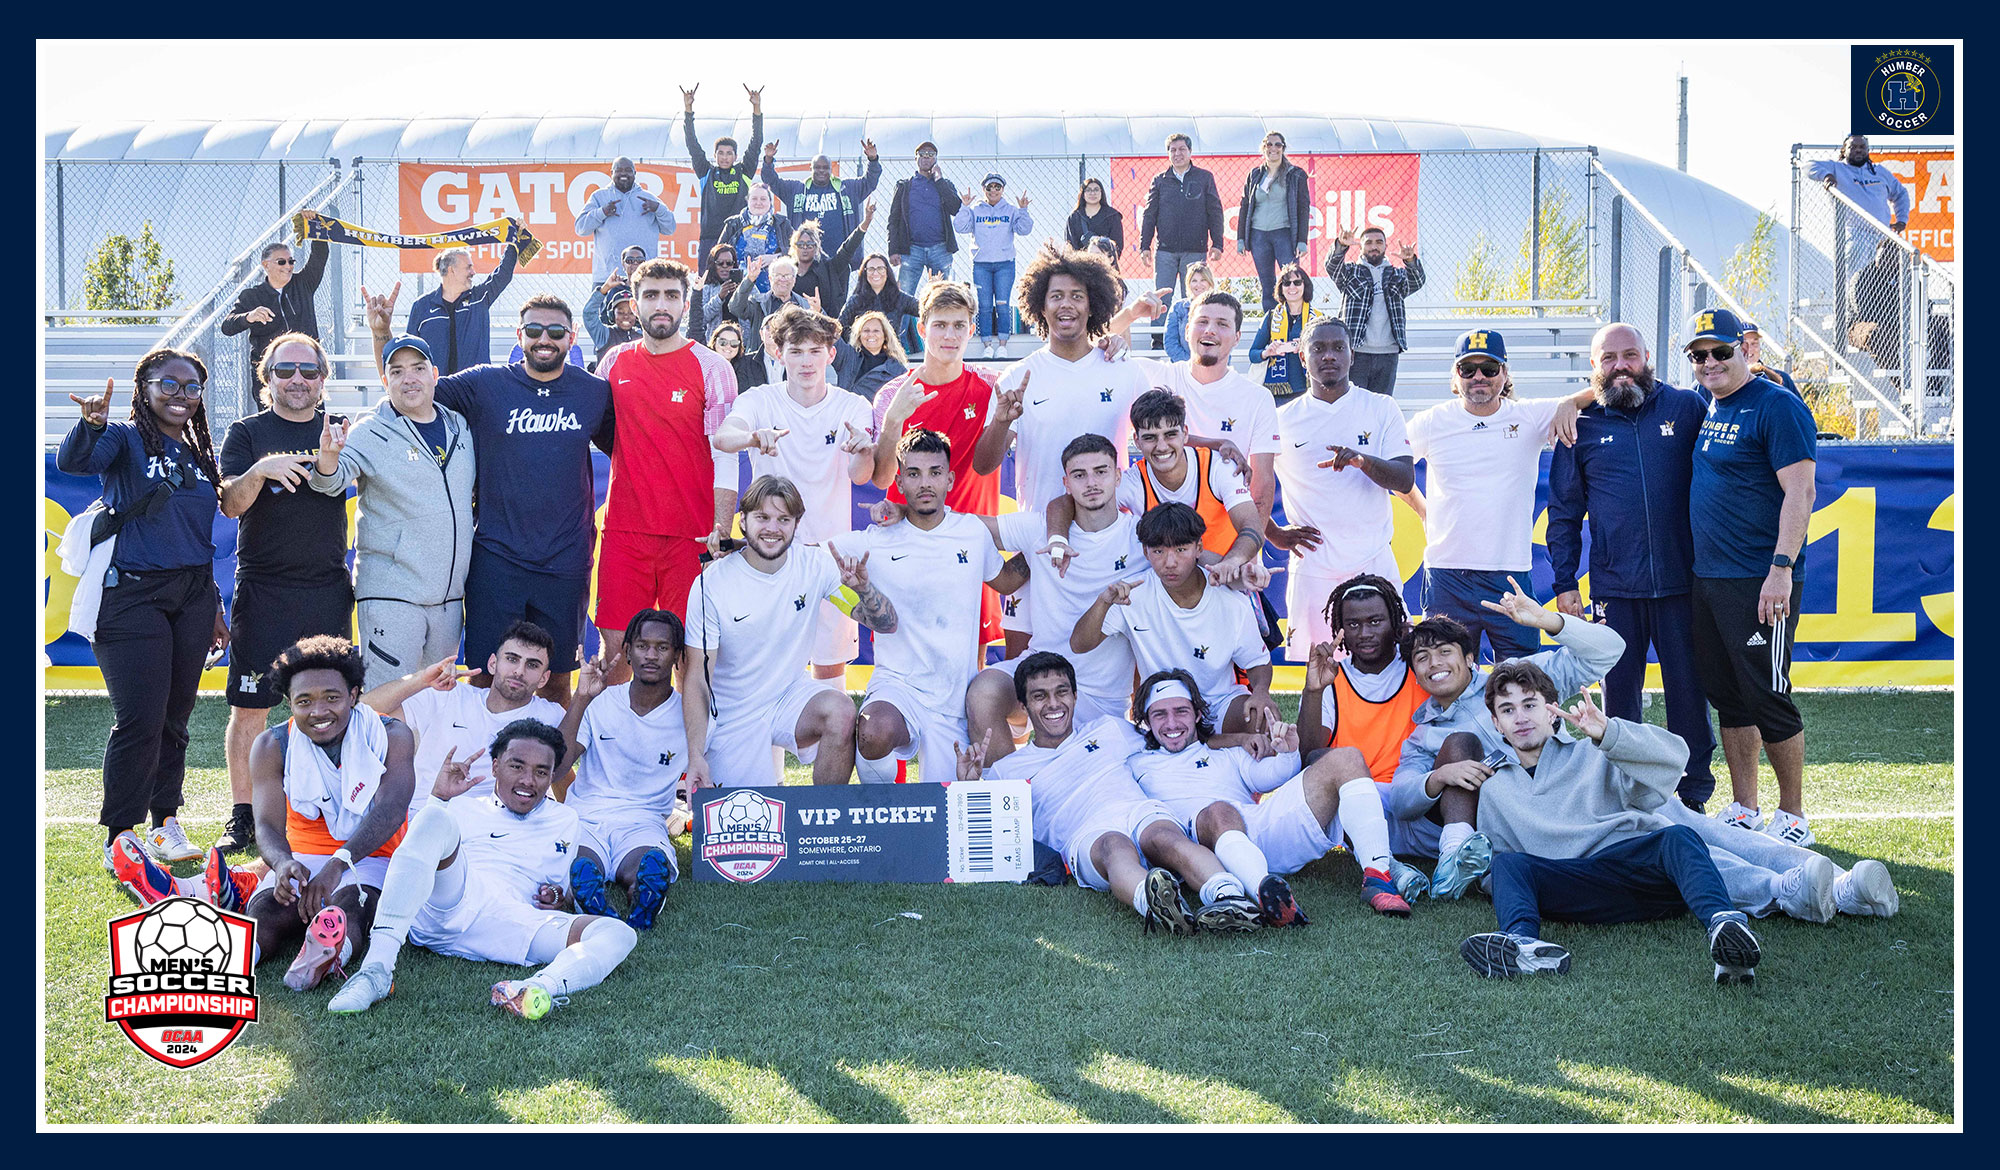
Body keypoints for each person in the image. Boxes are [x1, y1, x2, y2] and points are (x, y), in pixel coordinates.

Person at [367, 288, 612, 705]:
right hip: (497, 560)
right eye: (534, 329)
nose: (544, 339)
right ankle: (480, 767)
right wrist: (381, 334)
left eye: (555, 331)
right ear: (519, 335)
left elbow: (629, 450)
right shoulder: (486, 383)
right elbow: (410, 389)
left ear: (572, 336)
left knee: (555, 681)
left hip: (566, 563)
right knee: (484, 675)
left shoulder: (594, 392)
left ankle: (545, 770)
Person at [1456, 667, 1764, 985]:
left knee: (1678, 837)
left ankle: (1724, 927)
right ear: (1496, 723)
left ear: (1551, 711)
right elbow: (1498, 867)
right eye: (1508, 710)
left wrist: (1608, 734)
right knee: (1507, 864)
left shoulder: (1595, 750)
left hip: (1640, 877)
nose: (1520, 717)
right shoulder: (1495, 787)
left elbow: (1673, 759)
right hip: (1572, 887)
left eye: (1530, 705)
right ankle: (1523, 946)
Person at [327, 719, 639, 1020]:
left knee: (618, 933)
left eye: (541, 772)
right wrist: (438, 800)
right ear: (494, 767)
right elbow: (413, 861)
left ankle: (536, 988)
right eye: (517, 766)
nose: (528, 781)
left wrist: (559, 896)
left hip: (514, 920)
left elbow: (560, 889)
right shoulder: (461, 807)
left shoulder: (566, 819)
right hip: (452, 906)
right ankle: (375, 971)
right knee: (434, 820)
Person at [61, 350, 229, 873]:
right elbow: (75, 462)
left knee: (176, 718)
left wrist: (215, 605)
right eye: (169, 384)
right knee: (140, 719)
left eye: (192, 387)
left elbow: (196, 535)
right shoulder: (125, 438)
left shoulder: (202, 453)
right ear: (145, 387)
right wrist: (90, 424)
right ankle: (121, 835)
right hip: (131, 596)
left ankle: (165, 823)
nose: (181, 395)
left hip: (194, 595)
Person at [1547, 323, 1718, 811]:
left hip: (1683, 584)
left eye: (1630, 356)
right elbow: (1563, 515)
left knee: (1689, 694)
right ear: (1593, 366)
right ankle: (1625, 792)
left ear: (1649, 356)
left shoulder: (1686, 407)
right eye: (1608, 358)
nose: (1620, 366)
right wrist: (1564, 583)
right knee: (1620, 697)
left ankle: (1694, 794)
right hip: (1614, 589)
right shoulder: (1578, 425)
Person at [979, 652, 1264, 934]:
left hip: (1137, 809)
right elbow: (986, 827)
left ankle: (1229, 898)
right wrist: (968, 782)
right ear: (1023, 704)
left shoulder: (1109, 729)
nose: (1053, 704)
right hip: (1087, 834)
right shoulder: (1008, 769)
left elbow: (1176, 738)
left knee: (1165, 837)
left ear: (1075, 696)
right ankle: (1158, 904)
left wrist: (1241, 739)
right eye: (1039, 696)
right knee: (1114, 846)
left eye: (1061, 692)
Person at [1386, 579, 1627, 899]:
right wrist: (1440, 776)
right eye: (1423, 658)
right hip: (1501, 822)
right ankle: (1454, 861)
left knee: (1655, 823)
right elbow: (1400, 800)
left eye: (1445, 652)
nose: (1436, 664)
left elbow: (1609, 651)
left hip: (1565, 794)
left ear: (1470, 658)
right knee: (1459, 744)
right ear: (1415, 673)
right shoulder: (1423, 734)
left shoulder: (1515, 677)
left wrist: (1546, 621)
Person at [1684, 308, 1819, 845]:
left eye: (1720, 351)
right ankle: (1745, 805)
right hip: (1709, 576)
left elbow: (1801, 492)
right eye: (1700, 355)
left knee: (1768, 693)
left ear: (1746, 349)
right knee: (1728, 695)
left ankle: (1794, 814)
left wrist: (1781, 569)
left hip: (1760, 578)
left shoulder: (1777, 406)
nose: (1711, 362)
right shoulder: (1711, 403)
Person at [217, 334, 355, 860]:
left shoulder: (340, 429)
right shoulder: (246, 432)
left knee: (330, 704)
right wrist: (260, 470)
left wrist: (326, 460)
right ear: (266, 376)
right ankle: (244, 817)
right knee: (250, 707)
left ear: (323, 377)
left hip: (325, 588)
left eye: (309, 369)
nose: (298, 378)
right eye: (285, 369)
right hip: (263, 588)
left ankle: (328, 807)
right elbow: (230, 504)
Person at [1127, 669, 1410, 921]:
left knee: (1347, 758)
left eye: (1181, 711)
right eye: (1159, 714)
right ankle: (1264, 889)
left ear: (1198, 714)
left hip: (1261, 830)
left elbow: (1270, 777)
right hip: (1200, 848)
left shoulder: (1226, 751)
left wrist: (1286, 751)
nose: (1172, 722)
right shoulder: (1134, 762)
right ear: (1146, 721)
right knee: (1219, 810)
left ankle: (1378, 875)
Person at [833, 430, 1026, 782]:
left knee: (950, 807)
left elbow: (1008, 581)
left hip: (951, 702)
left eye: (935, 473)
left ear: (950, 479)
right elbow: (804, 557)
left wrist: (1055, 539)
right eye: (914, 473)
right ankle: (883, 826)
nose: (925, 483)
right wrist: (739, 544)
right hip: (898, 687)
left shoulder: (970, 531)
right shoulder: (874, 539)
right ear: (899, 480)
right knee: (872, 732)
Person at [682, 476, 892, 788]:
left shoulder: (815, 565)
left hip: (788, 697)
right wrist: (695, 754)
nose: (772, 528)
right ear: (743, 520)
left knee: (841, 710)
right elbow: (698, 678)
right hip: (733, 715)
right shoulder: (711, 585)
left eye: (783, 519)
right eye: (762, 518)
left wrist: (865, 590)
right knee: (746, 826)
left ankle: (823, 823)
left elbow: (886, 624)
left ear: (796, 523)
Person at [714, 307, 878, 680]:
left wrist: (863, 449)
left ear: (831, 354)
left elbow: (860, 474)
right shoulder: (759, 399)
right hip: (771, 557)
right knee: (767, 676)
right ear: (778, 353)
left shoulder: (852, 406)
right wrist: (754, 438)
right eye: (796, 351)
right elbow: (723, 438)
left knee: (829, 677)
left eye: (815, 351)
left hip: (830, 557)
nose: (806, 361)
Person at [595, 260, 743, 674]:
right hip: (626, 532)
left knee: (691, 660)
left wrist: (721, 527)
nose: (661, 305)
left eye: (671, 296)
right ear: (635, 301)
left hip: (690, 535)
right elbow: (603, 434)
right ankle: (617, 741)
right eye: (651, 295)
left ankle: (689, 742)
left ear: (685, 301)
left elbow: (724, 453)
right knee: (618, 658)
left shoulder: (713, 368)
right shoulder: (613, 363)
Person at [243, 636, 414, 992]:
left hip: (370, 856)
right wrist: (282, 865)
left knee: (350, 904)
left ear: (354, 695)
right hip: (303, 859)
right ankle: (234, 961)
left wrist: (337, 865)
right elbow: (267, 825)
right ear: (288, 702)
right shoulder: (272, 745)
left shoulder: (391, 735)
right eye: (304, 701)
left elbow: (392, 809)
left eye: (332, 698)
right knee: (267, 909)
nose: (318, 712)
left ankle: (325, 955)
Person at [309, 330, 474, 697]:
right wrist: (328, 459)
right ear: (385, 381)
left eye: (417, 368)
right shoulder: (370, 430)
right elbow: (330, 483)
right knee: (385, 704)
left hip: (448, 600)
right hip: (391, 595)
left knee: (437, 705)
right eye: (397, 371)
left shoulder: (459, 426)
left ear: (434, 373)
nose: (408, 378)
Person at [1405, 329, 1583, 662]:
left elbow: (1596, 392)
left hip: (1510, 574)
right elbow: (1392, 468)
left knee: (1524, 679)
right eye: (1467, 369)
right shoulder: (1432, 421)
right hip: (1448, 574)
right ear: (1455, 375)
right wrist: (1422, 508)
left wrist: (1568, 402)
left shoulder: (1528, 415)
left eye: (1489, 368)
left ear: (1505, 373)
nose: (1478, 377)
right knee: (1446, 680)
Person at [964, 434, 1147, 746]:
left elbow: (1192, 553)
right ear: (1066, 483)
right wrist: (908, 514)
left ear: (1118, 476)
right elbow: (965, 527)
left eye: (1101, 471)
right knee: (983, 693)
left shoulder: (1143, 538)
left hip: (1102, 699)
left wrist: (1236, 565)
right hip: (1039, 672)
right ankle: (1011, 786)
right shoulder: (1040, 529)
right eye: (1079, 475)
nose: (1091, 482)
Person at [869, 281, 1005, 647]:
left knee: (970, 664)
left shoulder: (992, 387)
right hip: (911, 546)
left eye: (959, 325)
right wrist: (894, 420)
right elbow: (882, 477)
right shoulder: (893, 394)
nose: (950, 335)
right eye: (940, 325)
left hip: (970, 545)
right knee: (904, 652)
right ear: (921, 328)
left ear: (972, 330)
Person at [1268, 318, 1413, 656]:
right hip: (1314, 569)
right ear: (1303, 358)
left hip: (1373, 560)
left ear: (1352, 356)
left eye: (1337, 348)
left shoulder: (1380, 408)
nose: (1328, 356)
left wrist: (1363, 461)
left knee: (1390, 662)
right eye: (1318, 348)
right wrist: (1273, 533)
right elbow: (1246, 485)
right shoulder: (1281, 419)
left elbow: (1404, 478)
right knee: (1319, 671)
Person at [1072, 502, 1278, 733]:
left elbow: (1257, 662)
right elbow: (1079, 644)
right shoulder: (1132, 595)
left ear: (1199, 548)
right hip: (1161, 708)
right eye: (1159, 551)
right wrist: (1103, 602)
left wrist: (1261, 693)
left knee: (1264, 718)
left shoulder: (1231, 600)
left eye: (1180, 550)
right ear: (1145, 552)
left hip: (1219, 704)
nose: (1170, 562)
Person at [1293, 575, 1436, 897]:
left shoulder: (1419, 669)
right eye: (1353, 624)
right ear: (1339, 630)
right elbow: (1309, 755)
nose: (1365, 633)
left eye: (1375, 621)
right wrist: (1313, 691)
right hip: (1355, 804)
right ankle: (1391, 868)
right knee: (1320, 763)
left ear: (1396, 623)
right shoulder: (1333, 677)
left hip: (1413, 796)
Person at [559, 611, 697, 931]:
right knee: (578, 862)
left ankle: (644, 893)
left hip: (643, 818)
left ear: (677, 655)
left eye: (662, 647)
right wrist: (581, 698)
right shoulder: (601, 700)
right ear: (628, 651)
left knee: (648, 862)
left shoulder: (688, 713)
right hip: (586, 816)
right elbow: (559, 767)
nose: (651, 655)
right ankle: (588, 894)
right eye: (642, 645)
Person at [358, 618, 569, 821]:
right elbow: (364, 710)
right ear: (493, 663)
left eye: (532, 665)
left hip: (499, 825)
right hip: (427, 813)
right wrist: (421, 680)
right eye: (512, 659)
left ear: (544, 678)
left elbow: (563, 774)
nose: (519, 671)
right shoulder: (448, 694)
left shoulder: (551, 716)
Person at [1124, 288, 1281, 525]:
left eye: (1222, 324)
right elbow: (1085, 350)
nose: (1210, 330)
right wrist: (1129, 315)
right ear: (1187, 331)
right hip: (1162, 543)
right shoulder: (1153, 376)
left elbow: (1261, 486)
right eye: (1203, 321)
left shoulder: (1257, 398)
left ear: (1238, 337)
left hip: (1227, 541)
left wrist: (1247, 548)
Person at [1136, 134, 1225, 346]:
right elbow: (1149, 214)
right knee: (1162, 296)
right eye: (1173, 150)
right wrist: (1144, 246)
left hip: (1195, 250)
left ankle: (1195, 338)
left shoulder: (1204, 177)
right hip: (1165, 250)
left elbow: (1215, 211)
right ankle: (1159, 340)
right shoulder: (1160, 181)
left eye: (1182, 149)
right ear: (1168, 154)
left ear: (1190, 152)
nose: (1177, 154)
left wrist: (1217, 243)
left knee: (1195, 295)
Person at [1324, 226, 1426, 397]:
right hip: (1356, 351)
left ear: (1386, 246)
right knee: (1353, 403)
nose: (1374, 246)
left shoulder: (1396, 275)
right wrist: (1341, 246)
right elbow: (1331, 267)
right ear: (1361, 247)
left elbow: (1417, 281)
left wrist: (1410, 261)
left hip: (1388, 352)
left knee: (1381, 406)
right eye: (1368, 242)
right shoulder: (1351, 272)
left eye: (1379, 242)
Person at [220, 238, 330, 395]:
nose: (288, 266)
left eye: (291, 262)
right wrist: (249, 317)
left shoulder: (304, 283)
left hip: (306, 368)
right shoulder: (252, 296)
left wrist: (314, 227)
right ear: (266, 265)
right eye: (281, 262)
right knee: (272, 418)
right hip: (272, 372)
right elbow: (227, 326)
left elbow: (320, 254)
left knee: (311, 415)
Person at [406, 241, 521, 375]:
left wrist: (514, 242)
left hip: (475, 387)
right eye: (468, 267)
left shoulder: (479, 298)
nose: (473, 272)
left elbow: (503, 274)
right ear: (451, 270)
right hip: (436, 388)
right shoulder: (422, 306)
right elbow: (410, 351)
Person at [681, 84, 766, 265]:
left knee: (737, 283)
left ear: (736, 156)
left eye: (729, 153)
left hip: (739, 235)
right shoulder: (706, 172)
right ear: (715, 156)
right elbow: (692, 144)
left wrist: (756, 108)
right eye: (721, 153)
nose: (725, 157)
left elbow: (756, 142)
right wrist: (688, 110)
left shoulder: (744, 171)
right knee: (707, 283)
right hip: (710, 238)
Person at [953, 174, 1035, 358]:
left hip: (1005, 265)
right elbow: (960, 227)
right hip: (981, 265)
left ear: (1002, 189)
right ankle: (987, 345)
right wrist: (964, 207)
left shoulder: (1011, 210)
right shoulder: (975, 210)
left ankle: (1003, 345)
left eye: (997, 187)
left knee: (1002, 304)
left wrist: (1023, 210)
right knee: (984, 305)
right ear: (984, 190)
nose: (993, 191)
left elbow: (1025, 230)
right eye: (989, 187)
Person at [1806, 134, 1910, 276]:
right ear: (1844, 150)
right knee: (1857, 278)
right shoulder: (1836, 168)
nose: (1858, 150)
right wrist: (1826, 175)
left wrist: (1902, 220)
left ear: (1868, 150)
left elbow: (1901, 194)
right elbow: (1808, 165)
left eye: (1862, 147)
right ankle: (1850, 298)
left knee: (1886, 279)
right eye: (1853, 147)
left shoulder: (1880, 171)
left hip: (1882, 236)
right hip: (1855, 235)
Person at [760, 137, 883, 253]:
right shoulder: (796, 190)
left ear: (831, 169)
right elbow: (771, 180)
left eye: (825, 167)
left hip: (840, 258)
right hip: (805, 257)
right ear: (811, 168)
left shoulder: (847, 189)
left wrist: (873, 159)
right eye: (817, 167)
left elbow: (870, 182)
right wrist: (768, 160)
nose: (822, 171)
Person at [1236, 132, 1310, 313]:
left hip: (1284, 234)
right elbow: (1245, 205)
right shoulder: (1255, 174)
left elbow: (1303, 208)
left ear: (1283, 148)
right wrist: (1240, 238)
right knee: (1267, 284)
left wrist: (1302, 240)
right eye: (1269, 144)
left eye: (1278, 145)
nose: (1273, 149)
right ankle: (1271, 325)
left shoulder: (1296, 175)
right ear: (1263, 147)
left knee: (1291, 281)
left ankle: (1295, 322)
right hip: (1258, 235)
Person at [573, 157, 677, 284]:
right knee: (596, 305)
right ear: (611, 173)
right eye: (619, 170)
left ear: (634, 173)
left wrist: (658, 209)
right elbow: (580, 228)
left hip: (644, 278)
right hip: (607, 278)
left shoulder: (648, 198)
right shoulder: (599, 197)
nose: (623, 173)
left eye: (628, 170)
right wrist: (603, 212)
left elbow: (670, 228)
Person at [887, 142, 962, 294]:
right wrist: (893, 249)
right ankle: (900, 320)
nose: (926, 157)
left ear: (936, 159)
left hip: (940, 249)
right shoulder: (904, 186)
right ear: (916, 158)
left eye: (931, 154)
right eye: (922, 154)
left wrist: (939, 179)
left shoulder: (945, 184)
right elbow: (893, 220)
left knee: (943, 297)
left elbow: (955, 208)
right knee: (903, 296)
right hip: (911, 250)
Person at [788, 205, 875, 318]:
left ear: (817, 247)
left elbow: (848, 248)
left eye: (809, 245)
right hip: (793, 322)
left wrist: (866, 222)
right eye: (800, 244)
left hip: (822, 321)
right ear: (794, 247)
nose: (805, 248)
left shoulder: (829, 267)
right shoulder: (788, 270)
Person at [1247, 263, 1316, 403]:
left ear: (1305, 286)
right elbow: (1253, 354)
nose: (1292, 287)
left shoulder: (1317, 319)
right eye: (1286, 283)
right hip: (1276, 393)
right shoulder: (1271, 317)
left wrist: (1306, 348)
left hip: (1308, 390)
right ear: (1281, 288)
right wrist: (1267, 352)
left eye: (1297, 282)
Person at [719, 184, 795, 298]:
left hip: (774, 293)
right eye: (754, 199)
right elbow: (718, 254)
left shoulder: (783, 224)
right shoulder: (733, 224)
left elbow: (797, 252)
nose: (758, 203)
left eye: (763, 199)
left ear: (770, 201)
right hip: (738, 293)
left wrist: (776, 258)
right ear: (747, 201)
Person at [840, 252, 922, 355]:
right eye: (871, 269)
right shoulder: (856, 300)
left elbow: (924, 309)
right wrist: (858, 337)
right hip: (862, 357)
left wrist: (933, 292)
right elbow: (840, 327)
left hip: (891, 356)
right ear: (864, 273)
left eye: (880, 268)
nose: (875, 273)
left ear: (887, 272)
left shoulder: (899, 297)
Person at [729, 254, 810, 358]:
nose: (783, 280)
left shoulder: (805, 305)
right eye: (778, 275)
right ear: (770, 278)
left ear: (794, 280)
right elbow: (735, 308)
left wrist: (817, 311)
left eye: (787, 276)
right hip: (762, 362)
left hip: (796, 360)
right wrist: (749, 279)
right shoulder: (759, 303)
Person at [584, 244, 652, 356]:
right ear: (623, 264)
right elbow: (592, 315)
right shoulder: (614, 287)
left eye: (639, 260)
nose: (635, 264)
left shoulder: (653, 289)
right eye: (629, 260)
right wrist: (605, 288)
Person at [834, 310, 909, 401]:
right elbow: (831, 336)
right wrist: (818, 311)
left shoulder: (897, 369)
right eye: (866, 331)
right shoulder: (848, 356)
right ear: (859, 335)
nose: (871, 334)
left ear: (885, 336)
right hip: (846, 413)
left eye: (876, 331)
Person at [686, 244, 742, 355]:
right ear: (713, 265)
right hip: (714, 348)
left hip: (740, 347)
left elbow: (753, 314)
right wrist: (720, 297)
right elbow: (699, 319)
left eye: (729, 263)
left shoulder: (745, 287)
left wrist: (741, 293)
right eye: (720, 263)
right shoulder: (706, 288)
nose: (725, 267)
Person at [1162, 262, 1213, 363]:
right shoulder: (1178, 308)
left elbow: (1224, 345)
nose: (1198, 285)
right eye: (1194, 281)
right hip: (1183, 366)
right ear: (1188, 284)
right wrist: (1192, 364)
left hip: (1212, 367)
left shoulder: (1219, 307)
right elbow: (1170, 343)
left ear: (1209, 282)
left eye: (1203, 280)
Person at [1065, 177, 1124, 263]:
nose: (1092, 193)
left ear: (1101, 192)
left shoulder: (1112, 216)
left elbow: (1117, 246)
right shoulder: (1074, 218)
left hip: (1105, 266)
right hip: (1080, 268)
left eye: (1096, 190)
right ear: (1083, 194)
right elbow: (1070, 247)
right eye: (1088, 190)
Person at [1739, 320, 1801, 397]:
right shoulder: (1729, 382)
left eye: (1754, 343)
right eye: (1745, 344)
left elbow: (1799, 407)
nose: (1750, 349)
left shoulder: (1781, 378)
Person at [710, 321, 761, 390]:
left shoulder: (745, 367)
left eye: (734, 343)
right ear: (714, 342)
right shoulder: (705, 365)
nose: (728, 346)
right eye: (723, 342)